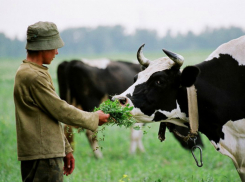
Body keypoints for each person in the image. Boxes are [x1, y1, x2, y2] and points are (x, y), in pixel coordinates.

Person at [13, 21, 110, 182]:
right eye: (54, 46)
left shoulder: (31, 72)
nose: (57, 52)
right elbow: (60, 110)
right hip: (44, 156)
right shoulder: (35, 76)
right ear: (43, 46)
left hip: (45, 152)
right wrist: (93, 118)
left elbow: (50, 116)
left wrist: (65, 149)